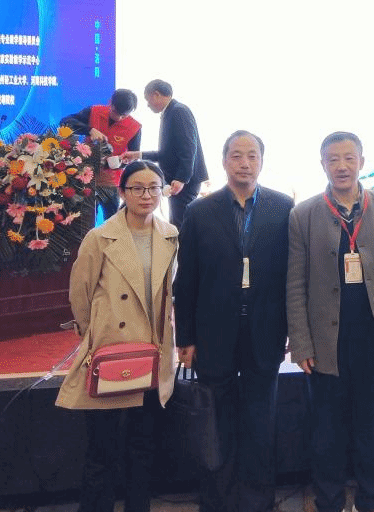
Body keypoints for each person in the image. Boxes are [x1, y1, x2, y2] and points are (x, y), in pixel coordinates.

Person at [286, 131, 374, 512]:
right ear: (323, 164)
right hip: (327, 342)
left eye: (349, 158)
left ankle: (371, 497)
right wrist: (301, 343)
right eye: (333, 159)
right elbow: (295, 285)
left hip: (373, 336)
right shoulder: (304, 214)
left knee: (373, 427)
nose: (342, 166)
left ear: (361, 162)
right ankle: (329, 500)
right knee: (327, 431)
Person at [174, 130, 294, 512]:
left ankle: (258, 500)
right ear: (224, 161)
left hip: (265, 331)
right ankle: (218, 500)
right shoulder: (200, 211)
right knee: (217, 421)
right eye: (237, 155)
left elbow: (293, 276)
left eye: (252, 156)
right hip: (214, 333)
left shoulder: (282, 207)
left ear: (262, 161)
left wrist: (293, 329)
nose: (245, 163)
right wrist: (185, 337)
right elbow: (186, 279)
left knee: (261, 421)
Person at [55, 160, 179, 512]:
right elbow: (80, 294)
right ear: (123, 192)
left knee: (143, 446)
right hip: (112, 351)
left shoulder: (170, 234)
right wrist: (94, 333)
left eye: (153, 188)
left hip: (151, 353)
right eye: (137, 188)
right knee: (102, 449)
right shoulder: (100, 237)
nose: (146, 195)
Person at [124, 80, 207, 229]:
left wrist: (182, 178)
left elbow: (189, 147)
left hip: (184, 182)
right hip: (179, 180)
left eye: (148, 99)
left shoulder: (178, 111)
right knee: (178, 222)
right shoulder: (170, 112)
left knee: (181, 225)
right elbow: (166, 153)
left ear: (156, 94)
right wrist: (137, 155)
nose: (148, 105)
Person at [61, 89, 142, 220]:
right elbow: (65, 122)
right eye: (115, 112)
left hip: (111, 182)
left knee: (113, 220)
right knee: (85, 219)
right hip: (86, 177)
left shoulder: (135, 127)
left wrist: (120, 162)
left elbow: (133, 156)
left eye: (123, 115)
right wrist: (89, 130)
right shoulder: (94, 111)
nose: (119, 118)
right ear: (110, 102)